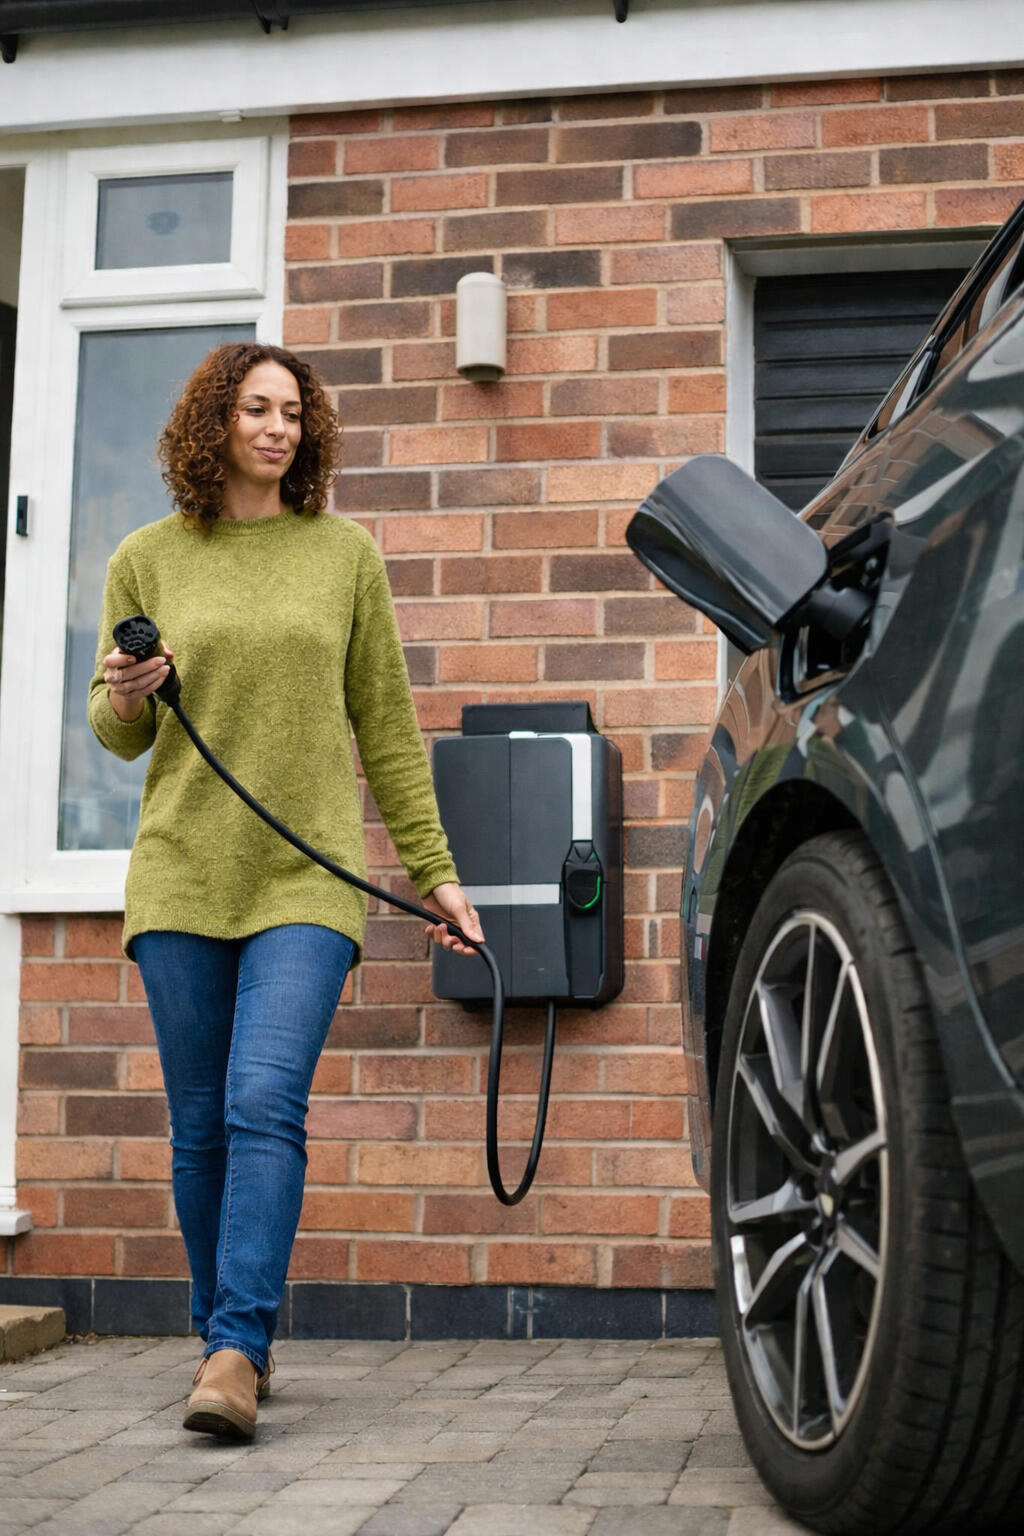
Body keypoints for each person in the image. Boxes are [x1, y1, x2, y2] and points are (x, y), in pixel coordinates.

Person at [88, 341, 483, 1440]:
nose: (279, 428)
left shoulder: (342, 554)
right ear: (212, 422)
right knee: (201, 1126)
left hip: (305, 876)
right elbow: (115, 738)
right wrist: (127, 693)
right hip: (180, 872)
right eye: (257, 409)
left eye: (294, 413)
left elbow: (389, 734)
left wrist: (437, 877)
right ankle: (222, 1330)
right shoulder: (145, 558)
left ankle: (237, 1350)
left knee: (266, 1101)